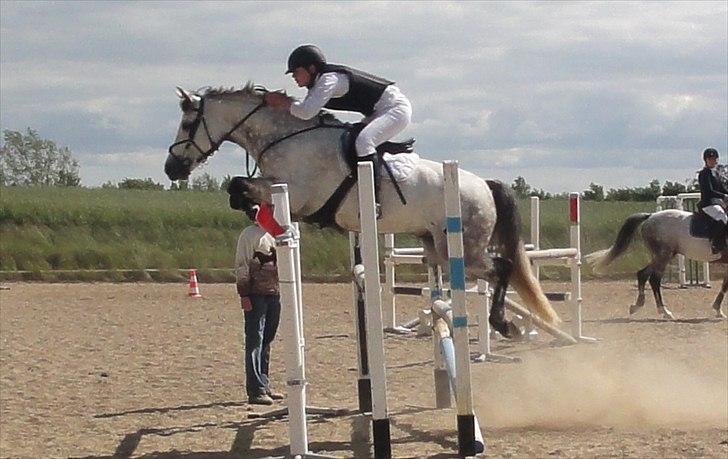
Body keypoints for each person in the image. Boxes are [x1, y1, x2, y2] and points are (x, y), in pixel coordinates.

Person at [264, 44, 412, 217]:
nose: (294, 77)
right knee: (350, 139)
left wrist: (284, 102)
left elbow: (306, 112)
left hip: (395, 109)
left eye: (296, 71)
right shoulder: (317, 84)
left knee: (364, 142)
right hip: (378, 111)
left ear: (311, 68)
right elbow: (304, 111)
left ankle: (373, 201)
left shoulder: (329, 79)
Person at [235, 204, 284, 405]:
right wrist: (244, 294)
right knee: (255, 339)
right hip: (256, 294)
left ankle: (264, 382)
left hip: (274, 293)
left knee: (267, 339)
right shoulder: (248, 236)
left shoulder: (274, 234)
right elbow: (242, 265)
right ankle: (255, 388)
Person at [697, 148, 728, 254]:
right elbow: (709, 191)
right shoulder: (704, 174)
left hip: (717, 203)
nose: (713, 161)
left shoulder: (716, 174)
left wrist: (726, 194)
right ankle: (714, 242)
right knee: (722, 216)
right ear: (706, 160)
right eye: (710, 159)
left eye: (714, 159)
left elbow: (722, 189)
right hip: (708, 204)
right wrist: (724, 196)